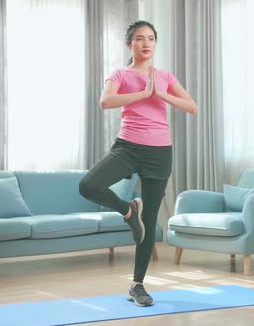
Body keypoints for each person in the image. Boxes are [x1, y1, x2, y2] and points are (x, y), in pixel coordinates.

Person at [79, 20, 197, 307]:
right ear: (129, 44)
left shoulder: (165, 76)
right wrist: (143, 94)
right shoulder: (119, 74)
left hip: (159, 151)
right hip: (128, 146)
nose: (146, 43)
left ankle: (137, 285)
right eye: (140, 38)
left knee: (150, 219)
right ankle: (127, 209)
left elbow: (191, 106)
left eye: (151, 38)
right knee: (89, 185)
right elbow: (106, 102)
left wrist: (160, 94)